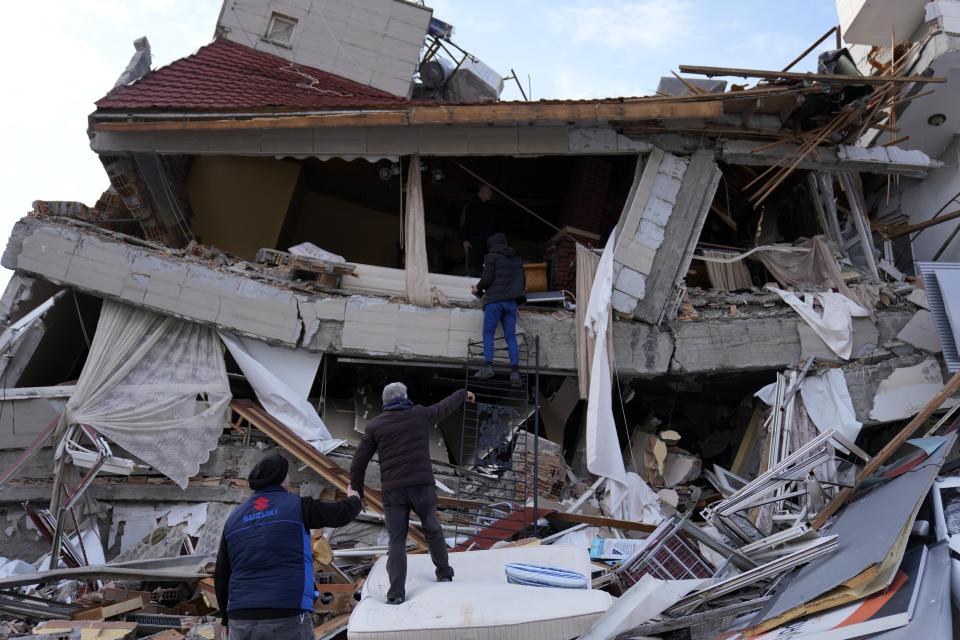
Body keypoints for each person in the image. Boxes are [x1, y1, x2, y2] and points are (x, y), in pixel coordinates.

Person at [349, 383, 475, 605]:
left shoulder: (375, 426)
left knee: (396, 541)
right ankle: (444, 573)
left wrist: (357, 491)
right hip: (421, 486)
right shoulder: (420, 414)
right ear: (405, 397)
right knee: (432, 528)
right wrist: (463, 394)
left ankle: (396, 593)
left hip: (393, 491)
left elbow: (358, 462)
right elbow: (444, 406)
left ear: (385, 402)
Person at [215, 454, 362, 639]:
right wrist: (355, 499)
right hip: (286, 611)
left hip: (241, 616)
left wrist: (225, 619)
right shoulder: (297, 506)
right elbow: (340, 514)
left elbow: (221, 574)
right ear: (283, 479)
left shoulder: (234, 519)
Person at [471, 232, 526, 385]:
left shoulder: (491, 257)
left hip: (495, 301)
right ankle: (515, 371)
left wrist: (477, 288)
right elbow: (523, 281)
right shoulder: (517, 259)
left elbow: (487, 278)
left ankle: (488, 366)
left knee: (488, 332)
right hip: (511, 303)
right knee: (510, 335)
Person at [459, 184, 498, 275]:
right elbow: (463, 223)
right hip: (472, 244)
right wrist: (464, 240)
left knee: (481, 271)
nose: (491, 193)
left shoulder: (488, 209)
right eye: (490, 190)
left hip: (484, 246)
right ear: (483, 190)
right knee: (472, 270)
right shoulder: (471, 205)